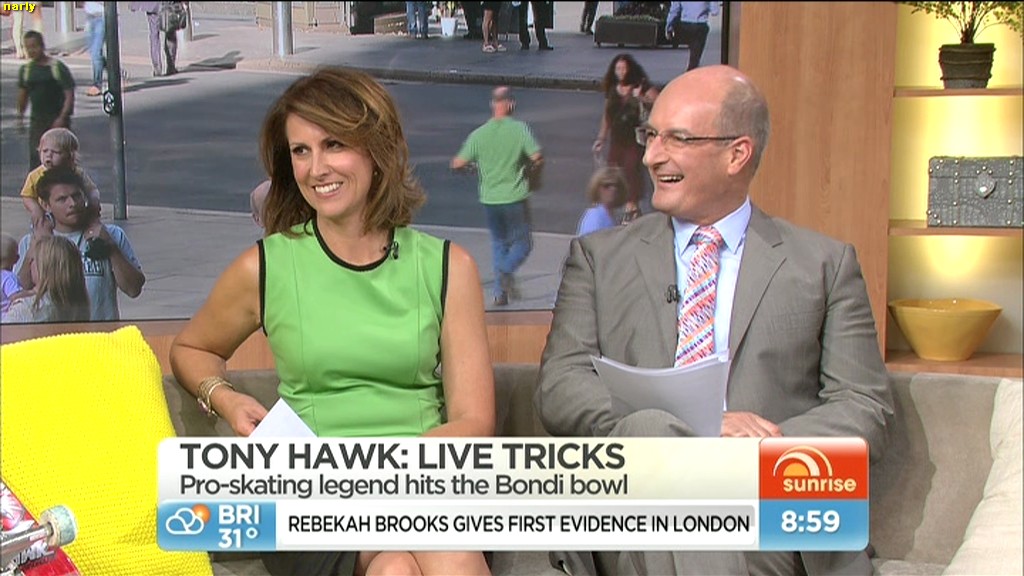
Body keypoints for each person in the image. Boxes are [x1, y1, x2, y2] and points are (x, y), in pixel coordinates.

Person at [536, 65, 894, 576]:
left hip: (771, 508)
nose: (651, 156)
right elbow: (561, 387)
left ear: (737, 154)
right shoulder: (598, 258)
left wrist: (759, 450)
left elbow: (864, 406)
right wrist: (694, 433)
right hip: (634, 506)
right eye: (650, 135)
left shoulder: (823, 265)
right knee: (651, 432)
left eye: (677, 139)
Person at [169, 67, 494, 576]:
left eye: (334, 145)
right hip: (311, 497)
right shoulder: (267, 266)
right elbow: (191, 349)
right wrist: (225, 399)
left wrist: (391, 475)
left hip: (424, 482)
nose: (316, 168)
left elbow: (474, 422)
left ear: (376, 148)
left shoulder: (449, 267)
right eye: (301, 151)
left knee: (397, 568)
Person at [451, 86, 543, 306]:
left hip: (490, 198)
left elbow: (457, 163)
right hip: (515, 196)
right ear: (510, 104)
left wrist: (473, 169)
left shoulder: (479, 134)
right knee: (522, 243)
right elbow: (537, 156)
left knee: (499, 243)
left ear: (493, 105)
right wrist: (532, 172)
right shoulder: (519, 130)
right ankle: (506, 271)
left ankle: (500, 294)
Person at [15, 167, 145, 322]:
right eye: (62, 199)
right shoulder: (31, 241)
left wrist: (110, 247)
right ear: (46, 205)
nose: (72, 203)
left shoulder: (112, 234)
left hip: (100, 334)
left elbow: (134, 289)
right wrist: (35, 250)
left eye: (77, 196)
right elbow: (17, 294)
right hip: (54, 333)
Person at [592, 54, 658, 224]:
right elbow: (607, 116)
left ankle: (632, 207)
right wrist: (601, 138)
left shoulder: (639, 85)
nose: (620, 72)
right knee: (613, 172)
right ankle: (614, 207)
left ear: (630, 69)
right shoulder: (613, 89)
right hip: (617, 137)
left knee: (631, 170)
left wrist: (640, 97)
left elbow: (658, 102)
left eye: (623, 68)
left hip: (634, 137)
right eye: (618, 69)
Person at [21, 128, 102, 236]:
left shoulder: (77, 173)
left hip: (75, 213)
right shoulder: (35, 175)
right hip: (46, 215)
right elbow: (27, 196)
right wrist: (36, 209)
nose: (48, 155)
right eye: (44, 151)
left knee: (91, 222)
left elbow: (92, 190)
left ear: (70, 156)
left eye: (56, 152)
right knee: (41, 228)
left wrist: (94, 202)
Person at [16, 31, 75, 171]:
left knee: (60, 159)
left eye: (34, 46)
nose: (31, 50)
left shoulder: (56, 68)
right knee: (37, 160)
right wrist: (20, 117)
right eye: (28, 47)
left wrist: (62, 118)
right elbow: (23, 96)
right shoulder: (26, 71)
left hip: (57, 122)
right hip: (37, 123)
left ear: (42, 46)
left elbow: (69, 94)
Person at [3, 236, 90, 324]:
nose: (30, 263)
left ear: (45, 267)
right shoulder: (80, 306)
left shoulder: (27, 308)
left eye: (33, 259)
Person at [666, 1, 721, 71]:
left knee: (694, 54)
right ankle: (692, 69)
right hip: (700, 26)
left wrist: (668, 26)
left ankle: (692, 67)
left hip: (684, 25)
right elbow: (715, 11)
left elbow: (674, 10)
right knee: (695, 55)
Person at [131, 1, 181, 76]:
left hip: (152, 5)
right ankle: (171, 65)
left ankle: (157, 67)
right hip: (168, 4)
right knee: (170, 32)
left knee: (154, 35)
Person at [577, 167, 628, 236]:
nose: (613, 189)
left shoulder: (609, 215)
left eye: (617, 186)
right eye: (607, 186)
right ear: (597, 189)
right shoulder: (595, 217)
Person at [84, 2, 106, 97]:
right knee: (94, 52)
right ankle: (118, 74)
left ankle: (97, 85)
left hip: (102, 17)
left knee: (96, 53)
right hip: (90, 17)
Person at [1, 233, 24, 315]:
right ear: (15, 259)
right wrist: (33, 292)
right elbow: (16, 296)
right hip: (6, 318)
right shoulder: (9, 277)